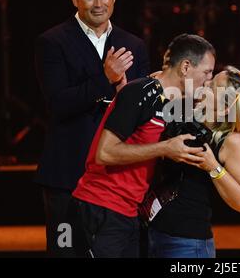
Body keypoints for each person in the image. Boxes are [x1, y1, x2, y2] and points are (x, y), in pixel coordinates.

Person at [34, 0, 150, 257]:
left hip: (118, 181)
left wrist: (129, 98)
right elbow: (58, 104)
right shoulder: (52, 42)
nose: (98, 4)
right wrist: (105, 80)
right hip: (68, 177)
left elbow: (146, 114)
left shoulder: (133, 44)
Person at [71, 33, 216, 257]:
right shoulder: (138, 92)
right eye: (207, 72)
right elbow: (105, 153)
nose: (209, 80)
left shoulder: (170, 101)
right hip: (102, 208)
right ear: (186, 67)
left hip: (129, 214)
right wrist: (166, 148)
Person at [147, 66, 240, 258]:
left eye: (213, 86)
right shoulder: (188, 116)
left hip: (188, 244)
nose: (205, 83)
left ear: (224, 107)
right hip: (153, 231)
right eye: (210, 79)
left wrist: (213, 167)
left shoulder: (232, 141)